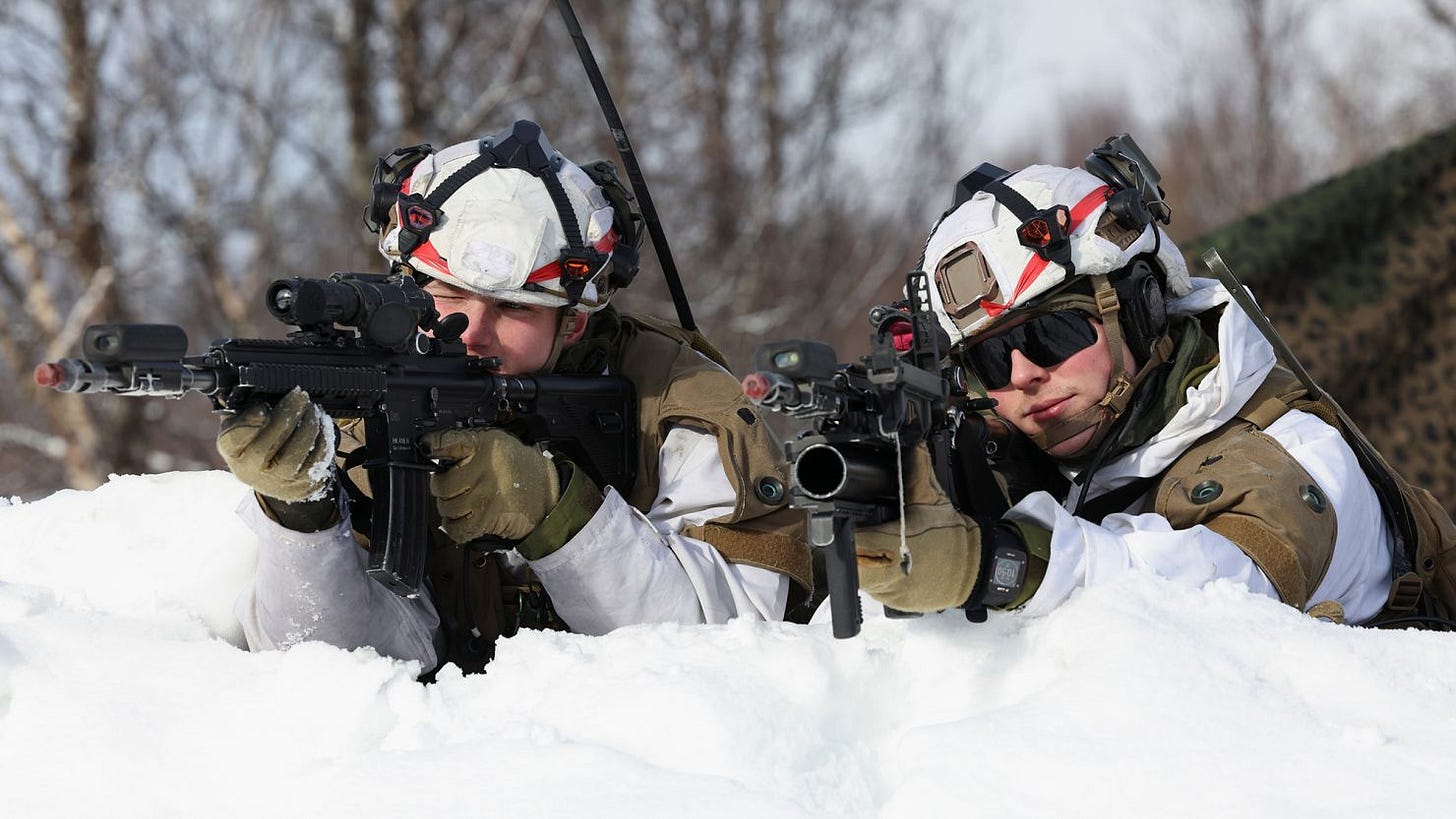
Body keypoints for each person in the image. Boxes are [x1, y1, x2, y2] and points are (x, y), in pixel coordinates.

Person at [218, 120, 811, 673]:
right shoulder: (377, 400)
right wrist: (304, 517)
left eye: (514, 308)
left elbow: (733, 647)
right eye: (447, 295)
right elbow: (334, 665)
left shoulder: (680, 401)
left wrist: (555, 513)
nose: (472, 332)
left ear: (574, 322)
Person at [854, 137, 1400, 626]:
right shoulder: (1057, 462)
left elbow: (1214, 596)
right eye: (991, 360)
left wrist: (994, 561)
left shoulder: (1294, 456)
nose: (1022, 374)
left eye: (1053, 334)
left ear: (1140, 313)